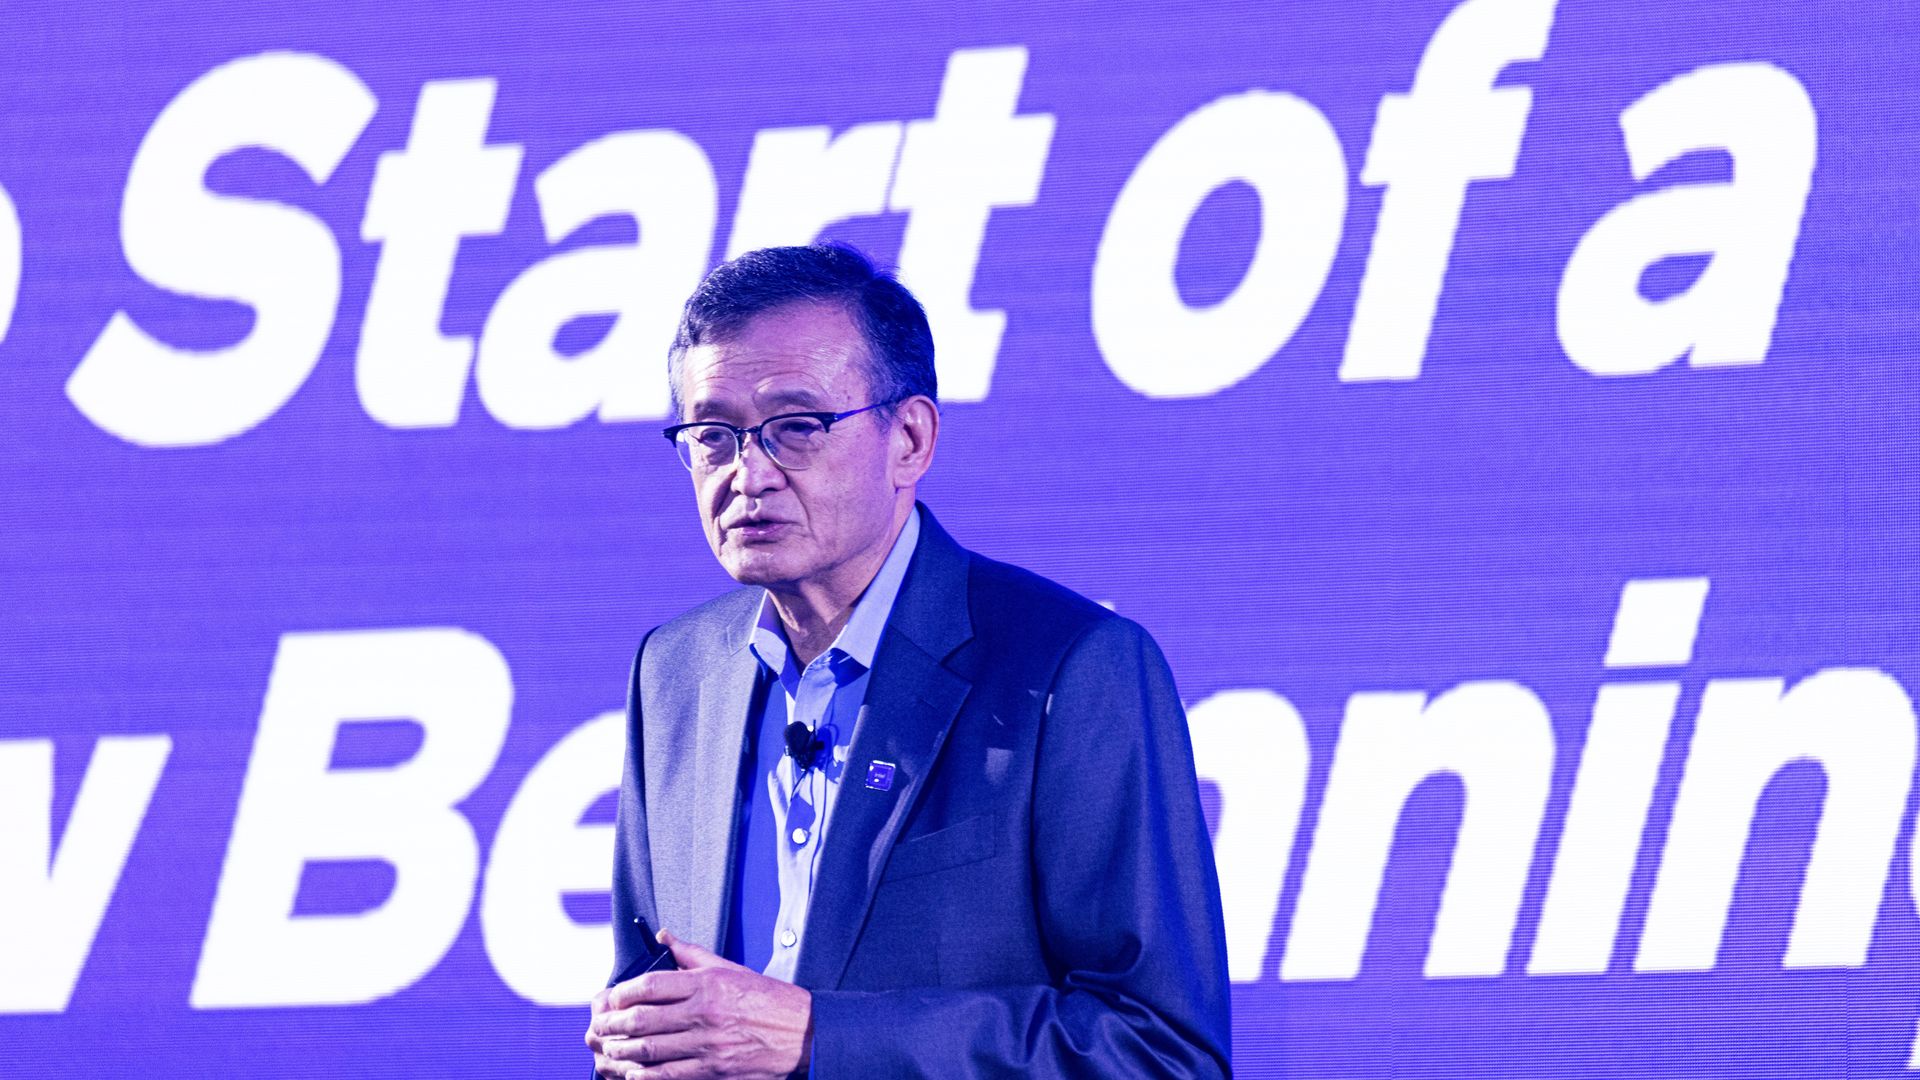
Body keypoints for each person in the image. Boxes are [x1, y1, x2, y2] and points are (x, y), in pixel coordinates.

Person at [585, 243, 1230, 1078]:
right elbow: (652, 1008)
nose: (747, 474)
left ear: (911, 439)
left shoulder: (1070, 670)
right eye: (713, 435)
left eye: (795, 428)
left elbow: (1159, 1052)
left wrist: (824, 1040)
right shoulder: (674, 674)